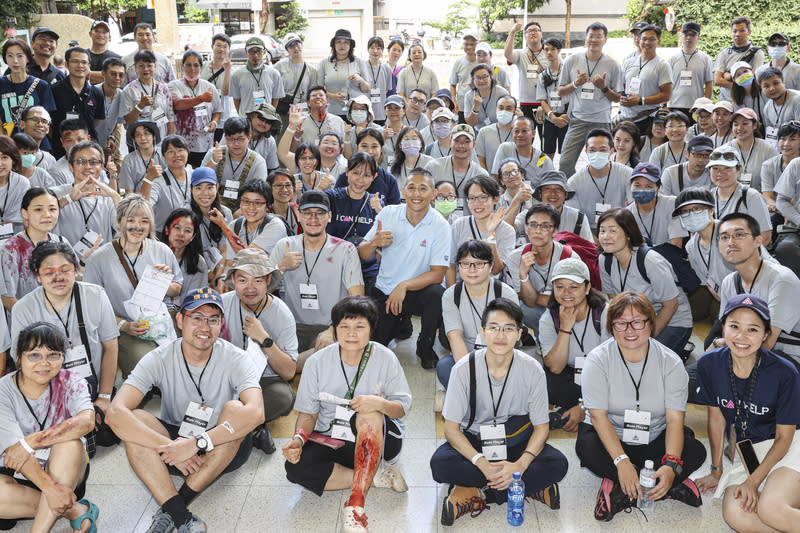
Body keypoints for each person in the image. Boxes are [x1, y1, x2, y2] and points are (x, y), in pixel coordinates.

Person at [106, 287, 264, 533]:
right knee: (133, 420)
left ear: (221, 324)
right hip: (173, 443)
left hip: (221, 445)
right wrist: (173, 447)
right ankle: (183, 518)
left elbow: (256, 412)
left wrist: (197, 444)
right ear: (180, 321)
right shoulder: (159, 357)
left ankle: (172, 508)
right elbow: (114, 413)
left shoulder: (236, 357)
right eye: (197, 318)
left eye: (213, 320)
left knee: (236, 409)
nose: (205, 326)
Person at [430, 298, 569, 525]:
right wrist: (482, 464)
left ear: (519, 334)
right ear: (483, 333)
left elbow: (542, 428)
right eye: (494, 328)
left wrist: (520, 464)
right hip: (475, 441)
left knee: (558, 464)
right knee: (440, 464)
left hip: (515, 440)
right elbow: (451, 429)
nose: (501, 335)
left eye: (508, 329)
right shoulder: (462, 369)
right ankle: (524, 487)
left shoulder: (532, 370)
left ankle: (475, 492)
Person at [283, 295, 411, 533]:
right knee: (295, 469)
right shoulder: (317, 362)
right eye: (344, 327)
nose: (351, 333)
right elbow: (308, 415)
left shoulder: (385, 357)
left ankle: (355, 505)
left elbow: (401, 408)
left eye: (360, 327)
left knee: (369, 415)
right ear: (335, 330)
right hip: (332, 437)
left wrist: (379, 403)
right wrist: (299, 439)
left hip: (380, 439)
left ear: (371, 330)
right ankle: (375, 477)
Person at [577, 291, 706, 522]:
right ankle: (655, 485)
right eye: (620, 323)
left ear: (650, 323)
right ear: (611, 327)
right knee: (586, 448)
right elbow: (598, 417)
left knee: (695, 449)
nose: (629, 330)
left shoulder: (670, 362)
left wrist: (670, 464)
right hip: (610, 438)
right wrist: (621, 461)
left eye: (637, 322)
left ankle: (624, 486)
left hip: (653, 436)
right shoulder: (597, 360)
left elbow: (674, 420)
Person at [693, 293, 800, 532]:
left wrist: (753, 481)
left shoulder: (785, 372)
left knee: (771, 509)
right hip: (748, 452)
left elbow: (785, 438)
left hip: (789, 448)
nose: (741, 337)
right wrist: (717, 469)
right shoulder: (709, 364)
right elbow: (717, 418)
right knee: (736, 515)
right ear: (723, 329)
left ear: (765, 335)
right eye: (734, 326)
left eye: (752, 329)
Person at [12, 241, 118, 437]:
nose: (58, 277)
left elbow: (110, 346)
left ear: (76, 270)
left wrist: (104, 396)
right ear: (37, 276)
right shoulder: (24, 309)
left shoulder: (96, 295)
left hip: (92, 383)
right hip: (47, 388)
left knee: (110, 434)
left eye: (65, 270)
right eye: (49, 272)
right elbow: (22, 363)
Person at [0, 322, 98, 533]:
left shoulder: (71, 381)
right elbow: (13, 450)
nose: (44, 363)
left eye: (53, 355)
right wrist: (50, 489)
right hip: (19, 470)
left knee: (70, 443)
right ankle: (74, 510)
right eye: (34, 355)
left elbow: (87, 421)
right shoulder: (3, 390)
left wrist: (30, 442)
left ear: (63, 357)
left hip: (66, 471)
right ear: (18, 356)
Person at [360, 169, 451, 368]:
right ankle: (401, 321)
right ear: (403, 191)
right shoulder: (389, 213)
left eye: (423, 188)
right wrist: (374, 242)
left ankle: (425, 343)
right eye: (411, 188)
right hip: (385, 290)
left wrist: (404, 285)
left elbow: (438, 274)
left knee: (437, 294)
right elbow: (363, 254)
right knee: (374, 348)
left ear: (433, 194)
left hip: (418, 290)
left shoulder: (441, 225)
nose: (416, 194)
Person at [83, 194, 182, 376]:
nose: (138, 226)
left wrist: (164, 282)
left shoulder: (162, 250)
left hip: (160, 320)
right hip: (123, 327)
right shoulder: (98, 259)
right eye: (131, 220)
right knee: (147, 364)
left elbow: (177, 288)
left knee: (187, 354)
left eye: (144, 221)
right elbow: (91, 307)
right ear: (119, 223)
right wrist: (123, 325)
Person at [271, 190, 364, 366]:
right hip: (291, 326)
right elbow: (261, 291)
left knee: (331, 354)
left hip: (329, 327)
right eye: (307, 213)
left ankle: (294, 365)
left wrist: (334, 329)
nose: (313, 219)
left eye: (320, 213)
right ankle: (295, 365)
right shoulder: (285, 246)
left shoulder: (346, 250)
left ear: (329, 216)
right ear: (298, 215)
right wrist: (281, 267)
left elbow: (357, 299)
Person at [222, 248, 297, 455]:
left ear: (268, 281)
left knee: (284, 398)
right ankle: (253, 429)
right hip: (227, 378)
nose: (250, 288)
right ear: (233, 281)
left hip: (265, 380)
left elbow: (289, 372)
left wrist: (264, 339)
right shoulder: (222, 304)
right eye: (243, 280)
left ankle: (235, 427)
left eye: (257, 280)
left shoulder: (282, 314)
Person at [597, 208, 693, 355]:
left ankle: (678, 346)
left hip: (673, 321)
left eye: (612, 231)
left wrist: (645, 338)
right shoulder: (604, 259)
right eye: (602, 231)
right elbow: (614, 300)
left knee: (643, 356)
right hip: (637, 321)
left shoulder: (651, 261)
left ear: (628, 234)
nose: (605, 236)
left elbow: (671, 305)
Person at [710, 213, 800, 368]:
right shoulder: (729, 281)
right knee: (696, 375)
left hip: (789, 359)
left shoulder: (782, 279)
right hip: (747, 352)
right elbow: (728, 332)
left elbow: (766, 343)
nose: (731, 242)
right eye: (724, 237)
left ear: (758, 240)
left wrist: (719, 345)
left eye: (739, 235)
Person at [540, 258, 609, 432]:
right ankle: (587, 411)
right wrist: (565, 329)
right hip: (569, 375)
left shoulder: (604, 313)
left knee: (618, 388)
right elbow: (555, 367)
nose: (566, 293)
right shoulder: (550, 318)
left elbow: (613, 367)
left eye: (574, 286)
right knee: (542, 379)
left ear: (587, 288)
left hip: (603, 375)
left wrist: (584, 406)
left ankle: (579, 411)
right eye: (559, 286)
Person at [437, 240, 519, 387]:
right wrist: (473, 373)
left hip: (501, 355)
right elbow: (455, 337)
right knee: (444, 367)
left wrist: (491, 371)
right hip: (468, 355)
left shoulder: (506, 294)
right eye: (465, 263)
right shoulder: (451, 295)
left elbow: (508, 339)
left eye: (479, 263)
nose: (472, 269)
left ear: (491, 265)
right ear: (459, 266)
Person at [557, 23, 623, 176]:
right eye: (591, 36)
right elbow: (560, 91)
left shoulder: (613, 65)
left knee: (602, 165)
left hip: (601, 121)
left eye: (598, 36)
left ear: (605, 40)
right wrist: (575, 83)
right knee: (565, 163)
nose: (594, 40)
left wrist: (603, 87)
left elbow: (618, 98)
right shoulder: (572, 60)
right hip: (577, 121)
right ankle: (571, 194)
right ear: (585, 39)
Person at [0, 188, 79, 311]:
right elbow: (7, 298)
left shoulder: (62, 242)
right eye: (38, 209)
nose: (47, 215)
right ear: (24, 213)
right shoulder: (10, 249)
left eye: (52, 209)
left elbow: (74, 280)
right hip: (27, 324)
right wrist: (40, 317)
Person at [509, 203, 581, 337]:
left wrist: (538, 298)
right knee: (528, 310)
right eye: (533, 225)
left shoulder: (570, 258)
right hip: (538, 308)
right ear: (526, 228)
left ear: (555, 231)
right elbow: (529, 302)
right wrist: (523, 274)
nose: (538, 231)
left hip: (566, 307)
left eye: (545, 226)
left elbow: (573, 299)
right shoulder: (516, 257)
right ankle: (542, 339)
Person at [326, 152, 383, 293]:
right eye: (356, 172)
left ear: (374, 177)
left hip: (367, 271)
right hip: (335, 267)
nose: (360, 179)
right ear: (347, 172)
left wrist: (381, 211)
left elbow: (383, 239)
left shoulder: (376, 203)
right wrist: (319, 189)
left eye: (367, 175)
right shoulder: (331, 197)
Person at [446, 176, 515, 286]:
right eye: (472, 198)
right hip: (462, 286)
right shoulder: (459, 225)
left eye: (483, 197)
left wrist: (491, 233)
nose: (477, 203)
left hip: (491, 288)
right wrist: (453, 294)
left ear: (496, 199)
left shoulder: (507, 231)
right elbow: (450, 264)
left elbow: (496, 269)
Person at [565, 129, 632, 235]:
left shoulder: (627, 174)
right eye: (592, 150)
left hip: (620, 228)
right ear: (586, 152)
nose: (597, 154)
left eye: (602, 150)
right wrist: (594, 241)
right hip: (588, 231)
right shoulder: (574, 183)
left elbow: (634, 209)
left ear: (611, 151)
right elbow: (575, 219)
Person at [55, 140, 121, 247]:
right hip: (65, 261)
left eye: (94, 162)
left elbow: (124, 227)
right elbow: (40, 216)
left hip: (99, 262)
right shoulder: (56, 193)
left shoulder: (108, 198)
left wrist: (115, 196)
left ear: (102, 168)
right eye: (81, 162)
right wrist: (69, 198)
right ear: (70, 167)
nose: (88, 167)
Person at [707, 145, 772, 244]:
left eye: (727, 168)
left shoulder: (751, 197)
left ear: (738, 170)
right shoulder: (707, 197)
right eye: (715, 168)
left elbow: (765, 236)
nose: (720, 173)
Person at [48, 47, 105, 160]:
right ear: (67, 64)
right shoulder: (54, 90)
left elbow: (96, 120)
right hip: (61, 150)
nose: (80, 65)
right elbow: (49, 124)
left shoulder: (96, 93)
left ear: (89, 66)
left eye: (84, 62)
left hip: (89, 150)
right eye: (75, 61)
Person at [202, 117, 268, 213]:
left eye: (240, 139)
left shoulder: (258, 162)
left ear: (248, 138)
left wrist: (240, 214)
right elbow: (199, 182)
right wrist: (213, 162)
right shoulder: (214, 153)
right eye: (231, 139)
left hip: (244, 211)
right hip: (213, 206)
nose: (236, 143)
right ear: (225, 138)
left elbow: (260, 195)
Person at [169, 50, 222, 169]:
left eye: (196, 65)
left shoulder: (209, 87)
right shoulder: (174, 85)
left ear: (201, 67)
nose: (192, 68)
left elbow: (218, 111)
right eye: (188, 64)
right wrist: (201, 98)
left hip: (205, 142)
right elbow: (177, 104)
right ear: (182, 66)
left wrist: (214, 122)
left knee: (202, 175)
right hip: (182, 144)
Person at [424, 124, 490, 217]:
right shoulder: (433, 168)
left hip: (468, 226)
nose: (461, 145)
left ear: (474, 145)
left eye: (467, 142)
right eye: (457, 141)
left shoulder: (481, 175)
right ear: (450, 142)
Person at [619, 24, 672, 135]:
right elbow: (622, 86)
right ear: (639, 41)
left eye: (652, 39)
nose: (647, 42)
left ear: (659, 42)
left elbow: (666, 95)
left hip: (648, 118)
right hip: (626, 118)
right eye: (644, 39)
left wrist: (640, 100)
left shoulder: (662, 65)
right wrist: (623, 98)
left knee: (643, 151)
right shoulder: (628, 62)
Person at [0, 39, 56, 140]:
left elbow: (48, 121)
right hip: (9, 145)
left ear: (28, 58)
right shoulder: (1, 84)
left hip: (37, 144)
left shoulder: (41, 85)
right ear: (5, 59)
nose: (15, 61)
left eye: (20, 56)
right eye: (10, 56)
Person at [625, 162, 687, 247]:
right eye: (637, 185)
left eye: (649, 186)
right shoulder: (627, 214)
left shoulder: (671, 204)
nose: (642, 190)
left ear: (658, 188)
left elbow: (676, 245)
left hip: (667, 258)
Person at [139, 134, 192, 233]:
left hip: (190, 232)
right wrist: (149, 178)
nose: (177, 155)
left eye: (180, 150)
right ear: (164, 156)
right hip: (164, 234)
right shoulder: (158, 181)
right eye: (171, 151)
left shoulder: (193, 174)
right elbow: (143, 206)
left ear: (188, 152)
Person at [120, 50, 176, 142]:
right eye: (141, 66)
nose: (145, 69)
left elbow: (170, 118)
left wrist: (169, 140)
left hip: (161, 140)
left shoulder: (164, 89)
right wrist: (140, 106)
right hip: (139, 141)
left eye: (149, 65)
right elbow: (127, 123)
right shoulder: (129, 90)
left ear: (155, 66)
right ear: (135, 68)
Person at [504, 21, 549, 132]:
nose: (533, 33)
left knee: (546, 141)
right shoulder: (521, 54)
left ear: (541, 34)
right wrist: (513, 32)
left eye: (536, 30)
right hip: (526, 103)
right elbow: (507, 55)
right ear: (525, 36)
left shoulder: (549, 53)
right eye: (529, 31)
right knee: (526, 138)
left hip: (546, 103)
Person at [190, 167, 232, 283]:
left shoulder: (225, 213)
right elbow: (187, 254)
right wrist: (209, 275)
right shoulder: (185, 214)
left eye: (210, 187)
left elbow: (225, 249)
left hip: (219, 269)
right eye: (198, 188)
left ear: (217, 187)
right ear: (191, 189)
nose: (205, 193)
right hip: (193, 271)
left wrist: (218, 276)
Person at [225, 179, 287, 258]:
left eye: (257, 203)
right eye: (246, 201)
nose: (251, 207)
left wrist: (223, 225)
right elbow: (230, 262)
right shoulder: (234, 225)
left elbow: (250, 257)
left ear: (267, 205)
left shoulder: (275, 226)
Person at [318, 29, 370, 119]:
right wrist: (332, 96)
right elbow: (318, 89)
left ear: (350, 45)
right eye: (339, 42)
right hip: (331, 111)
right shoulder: (324, 63)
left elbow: (367, 89)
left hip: (355, 112)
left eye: (346, 42)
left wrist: (360, 80)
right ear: (334, 45)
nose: (342, 45)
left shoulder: (359, 62)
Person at [160, 208, 209, 301]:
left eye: (187, 230)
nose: (181, 234)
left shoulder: (198, 262)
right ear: (167, 229)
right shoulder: (153, 254)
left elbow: (196, 300)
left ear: (193, 237)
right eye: (177, 228)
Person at [274, 33, 319, 133]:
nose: (295, 48)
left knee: (302, 140)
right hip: (284, 112)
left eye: (297, 44)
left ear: (302, 45)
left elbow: (313, 93)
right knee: (284, 140)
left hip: (303, 113)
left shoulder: (311, 70)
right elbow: (273, 90)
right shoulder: (279, 67)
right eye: (291, 46)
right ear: (287, 50)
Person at [489, 116, 555, 185]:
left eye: (524, 131)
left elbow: (549, 184)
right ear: (512, 134)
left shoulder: (542, 159)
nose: (520, 135)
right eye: (516, 131)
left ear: (533, 133)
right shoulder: (506, 148)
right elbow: (497, 176)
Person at [668, 22, 713, 118]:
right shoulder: (672, 59)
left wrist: (706, 104)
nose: (688, 37)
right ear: (681, 36)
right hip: (674, 105)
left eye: (692, 35)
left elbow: (709, 83)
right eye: (686, 34)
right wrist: (664, 104)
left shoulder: (705, 59)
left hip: (696, 107)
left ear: (698, 37)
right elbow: (666, 84)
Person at [714, 16, 764, 103]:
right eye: (735, 31)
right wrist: (742, 81)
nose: (737, 34)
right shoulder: (724, 53)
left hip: (748, 102)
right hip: (727, 102)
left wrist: (728, 76)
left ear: (749, 32)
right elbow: (717, 80)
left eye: (742, 30)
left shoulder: (757, 53)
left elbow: (753, 80)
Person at [230, 37, 284, 116]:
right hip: (246, 120)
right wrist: (242, 115)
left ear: (264, 52)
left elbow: (276, 98)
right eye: (251, 51)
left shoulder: (274, 74)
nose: (255, 55)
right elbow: (236, 99)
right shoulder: (237, 75)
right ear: (246, 52)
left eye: (259, 51)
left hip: (266, 120)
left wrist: (270, 115)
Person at [533, 171, 594, 241]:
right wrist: (517, 201)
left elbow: (589, 247)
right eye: (547, 189)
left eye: (558, 189)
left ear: (566, 194)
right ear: (540, 194)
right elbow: (517, 229)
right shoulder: (529, 216)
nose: (553, 193)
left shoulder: (578, 218)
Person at [725, 107, 776, 191]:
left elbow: (775, 179)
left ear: (755, 125)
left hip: (761, 197)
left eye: (745, 123)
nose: (739, 128)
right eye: (736, 124)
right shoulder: (725, 149)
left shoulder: (768, 150)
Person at [94, 57, 126, 175]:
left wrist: (111, 138)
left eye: (121, 75)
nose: (117, 78)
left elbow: (117, 122)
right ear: (103, 73)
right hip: (91, 145)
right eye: (113, 74)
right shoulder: (92, 92)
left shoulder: (122, 95)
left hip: (106, 146)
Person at [537, 38, 568, 159]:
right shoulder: (542, 76)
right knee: (545, 153)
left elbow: (575, 96)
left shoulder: (568, 73)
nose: (549, 52)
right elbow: (542, 100)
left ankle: (565, 176)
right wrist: (552, 117)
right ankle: (544, 174)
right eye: (546, 50)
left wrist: (567, 115)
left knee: (566, 154)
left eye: (553, 49)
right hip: (550, 119)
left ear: (559, 50)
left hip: (566, 118)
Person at [762, 121, 800, 215]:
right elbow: (768, 197)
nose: (786, 144)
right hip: (778, 213)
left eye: (792, 139)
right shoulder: (768, 165)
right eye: (782, 139)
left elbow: (794, 202)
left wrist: (775, 207)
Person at [758, 66, 800, 149]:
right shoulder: (767, 108)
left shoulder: (797, 100)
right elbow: (771, 136)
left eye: (776, 83)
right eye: (766, 86)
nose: (772, 88)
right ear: (761, 89)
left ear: (783, 82)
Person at [119, 120, 165, 194]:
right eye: (138, 135)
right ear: (134, 139)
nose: (143, 138)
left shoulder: (164, 155)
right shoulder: (128, 160)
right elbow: (127, 191)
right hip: (139, 202)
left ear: (153, 136)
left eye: (146, 133)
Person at [496, 158, 534, 244]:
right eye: (506, 174)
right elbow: (502, 230)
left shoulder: (536, 197)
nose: (511, 176)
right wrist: (516, 200)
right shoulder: (497, 202)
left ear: (522, 175)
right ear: (501, 181)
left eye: (514, 171)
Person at [0, 136, 31, 237]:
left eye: (4, 157)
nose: (0, 164)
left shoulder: (21, 183)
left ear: (13, 160)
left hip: (12, 239)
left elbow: (10, 222)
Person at [475, 95, 516, 171]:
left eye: (508, 108)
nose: (504, 111)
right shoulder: (484, 132)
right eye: (501, 108)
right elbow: (480, 159)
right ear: (496, 109)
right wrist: (488, 179)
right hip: (490, 180)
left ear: (515, 111)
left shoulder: (519, 134)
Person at [464, 63, 508, 131]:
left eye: (484, 77)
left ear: (490, 77)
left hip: (500, 130)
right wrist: (476, 107)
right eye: (478, 78)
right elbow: (471, 124)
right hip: (479, 132)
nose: (481, 81)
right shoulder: (469, 96)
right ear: (473, 80)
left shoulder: (502, 93)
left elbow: (507, 118)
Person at [449, 31, 481, 123]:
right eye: (466, 44)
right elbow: (452, 84)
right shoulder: (458, 62)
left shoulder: (482, 61)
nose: (469, 47)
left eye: (472, 44)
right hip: (462, 105)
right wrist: (455, 101)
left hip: (480, 104)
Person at [242, 103, 281, 174]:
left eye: (268, 122)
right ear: (252, 116)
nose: (264, 123)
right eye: (261, 118)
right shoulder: (236, 131)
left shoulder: (270, 141)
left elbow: (273, 169)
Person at [267, 169, 300, 235]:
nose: (284, 190)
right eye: (279, 185)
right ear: (270, 189)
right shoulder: (264, 213)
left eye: (288, 185)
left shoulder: (298, 211)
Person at [87, 20, 120, 84]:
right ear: (90, 34)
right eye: (97, 31)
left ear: (109, 37)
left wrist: (88, 74)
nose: (100, 34)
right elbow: (76, 75)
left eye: (104, 32)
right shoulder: (82, 56)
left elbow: (115, 79)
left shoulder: (116, 58)